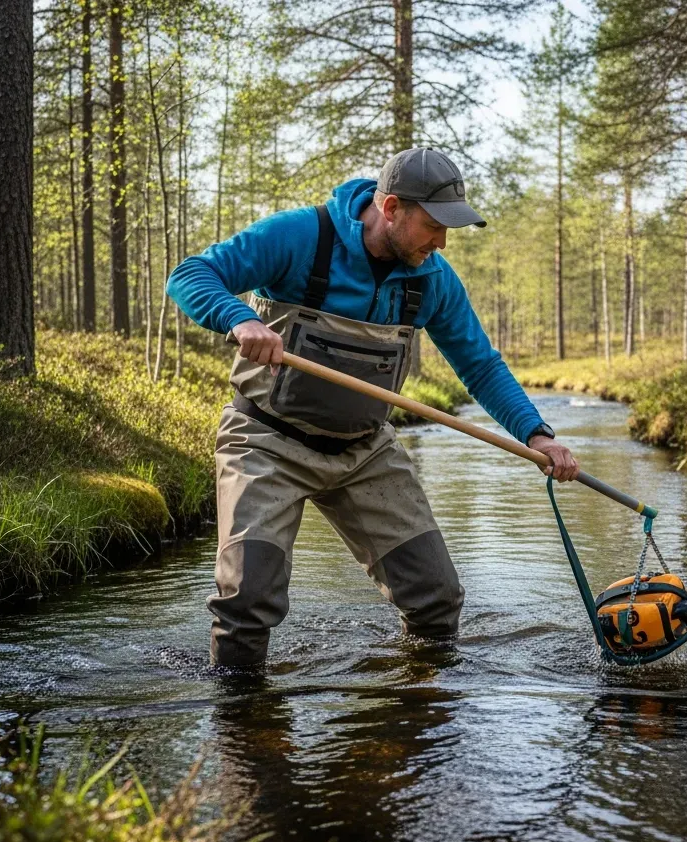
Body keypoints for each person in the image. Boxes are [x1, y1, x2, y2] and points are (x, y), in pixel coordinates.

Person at [167, 147, 579, 668]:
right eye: (433, 225)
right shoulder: (299, 236)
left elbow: (481, 366)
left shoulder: (433, 279)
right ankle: (245, 729)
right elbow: (190, 273)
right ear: (389, 209)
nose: (441, 242)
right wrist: (238, 318)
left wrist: (537, 436)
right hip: (266, 443)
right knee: (248, 603)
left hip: (364, 452)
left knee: (436, 601)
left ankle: (411, 714)